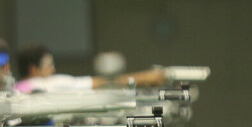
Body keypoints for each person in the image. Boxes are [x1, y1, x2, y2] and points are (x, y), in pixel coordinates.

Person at [13, 44, 166, 94]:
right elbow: (100, 83)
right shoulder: (45, 85)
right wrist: (146, 78)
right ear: (33, 69)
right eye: (48, 65)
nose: (53, 69)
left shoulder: (17, 88)